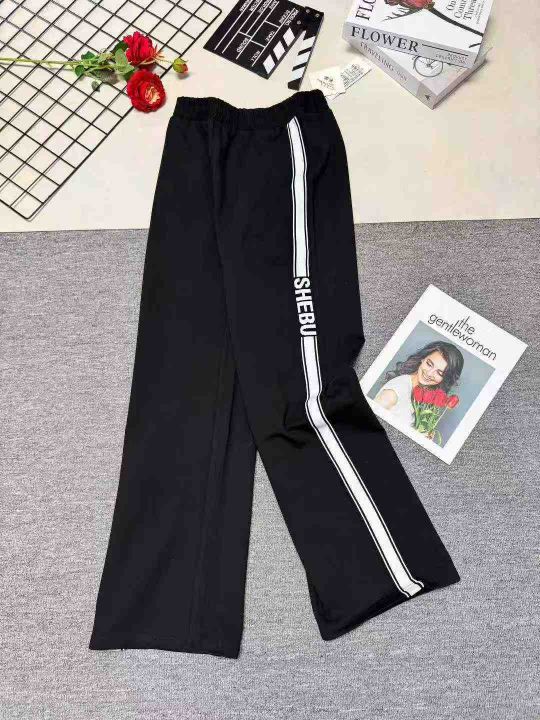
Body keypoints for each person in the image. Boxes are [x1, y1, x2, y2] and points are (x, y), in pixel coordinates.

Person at [374, 341, 464, 427]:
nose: (429, 373)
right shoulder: (393, 393)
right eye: (429, 364)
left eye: (439, 373)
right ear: (422, 359)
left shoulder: (422, 395)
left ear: (445, 379)